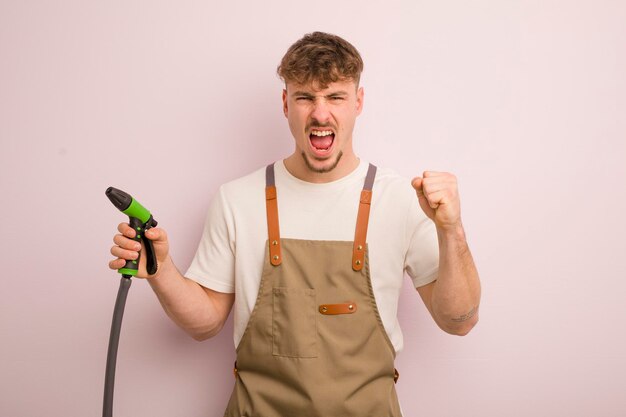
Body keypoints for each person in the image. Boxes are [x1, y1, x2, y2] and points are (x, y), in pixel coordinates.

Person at [108, 31, 481, 416]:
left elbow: (459, 321)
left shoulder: (402, 200)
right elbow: (204, 324)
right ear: (286, 103)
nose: (321, 114)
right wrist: (161, 270)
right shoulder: (237, 199)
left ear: (359, 102)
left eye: (335, 96)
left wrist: (452, 231)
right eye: (306, 97)